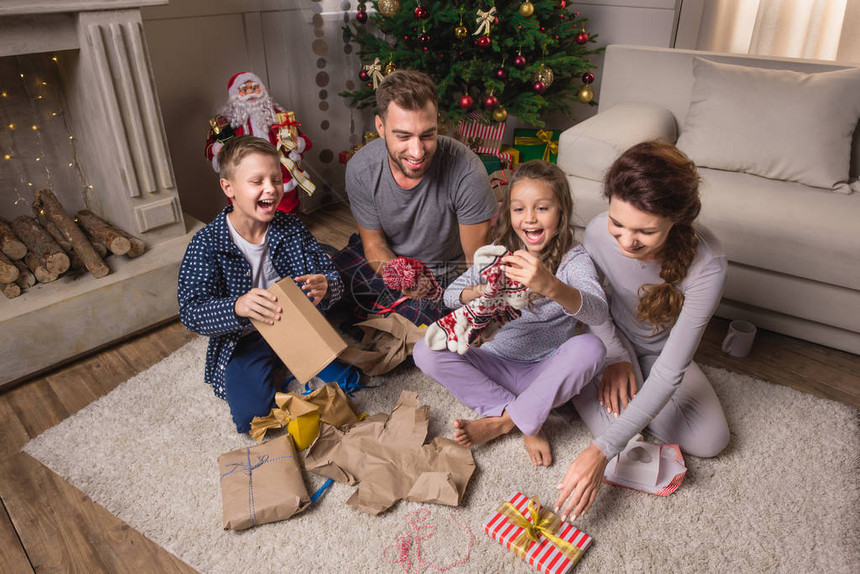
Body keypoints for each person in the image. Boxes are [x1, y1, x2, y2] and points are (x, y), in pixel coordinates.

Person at [555, 141, 730, 523]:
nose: (626, 241)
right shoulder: (599, 233)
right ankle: (616, 393)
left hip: (659, 355)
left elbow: (671, 370)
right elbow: (592, 302)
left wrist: (601, 449)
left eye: (645, 231)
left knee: (712, 441)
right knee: (630, 442)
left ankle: (624, 401)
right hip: (608, 340)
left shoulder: (708, 266)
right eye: (618, 223)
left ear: (677, 219)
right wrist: (616, 356)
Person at [413, 160, 608, 466]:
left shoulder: (574, 259)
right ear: (509, 213)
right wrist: (481, 292)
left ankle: (503, 422)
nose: (529, 219)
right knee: (425, 349)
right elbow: (451, 295)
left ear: (561, 211)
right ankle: (520, 413)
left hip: (547, 372)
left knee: (592, 348)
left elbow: (598, 312)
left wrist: (551, 285)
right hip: (497, 363)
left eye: (542, 208)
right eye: (519, 209)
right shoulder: (499, 253)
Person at [178, 135, 342, 433]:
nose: (271, 189)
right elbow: (191, 312)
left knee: (346, 383)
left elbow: (329, 276)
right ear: (229, 188)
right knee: (253, 418)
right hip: (245, 338)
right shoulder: (206, 244)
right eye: (257, 181)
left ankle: (291, 362)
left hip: (295, 322)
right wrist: (237, 306)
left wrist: (326, 285)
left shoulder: (289, 226)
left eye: (276, 179)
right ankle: (276, 367)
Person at [335, 69, 498, 326]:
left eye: (427, 135)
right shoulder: (360, 167)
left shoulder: (467, 169)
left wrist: (464, 299)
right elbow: (374, 244)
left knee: (422, 322)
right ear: (380, 126)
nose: (417, 151)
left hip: (444, 273)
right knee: (326, 283)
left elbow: (476, 264)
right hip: (390, 259)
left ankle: (377, 314)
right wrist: (401, 278)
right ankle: (377, 310)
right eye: (403, 136)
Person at [205, 71, 312, 214]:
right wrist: (218, 149)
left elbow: (305, 142)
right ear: (234, 95)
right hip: (243, 172)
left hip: (277, 169)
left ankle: (288, 232)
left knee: (285, 208)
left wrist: (294, 141)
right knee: (247, 210)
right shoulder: (225, 123)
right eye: (244, 90)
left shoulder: (276, 115)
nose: (251, 93)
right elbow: (209, 147)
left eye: (255, 88)